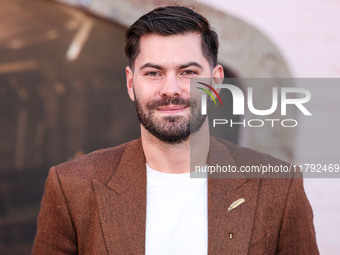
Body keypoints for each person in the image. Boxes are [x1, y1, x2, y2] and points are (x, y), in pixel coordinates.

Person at [32, 5, 319, 255]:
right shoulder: (71, 186)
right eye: (153, 73)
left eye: (188, 72)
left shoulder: (279, 186)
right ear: (131, 84)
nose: (171, 90)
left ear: (216, 82)